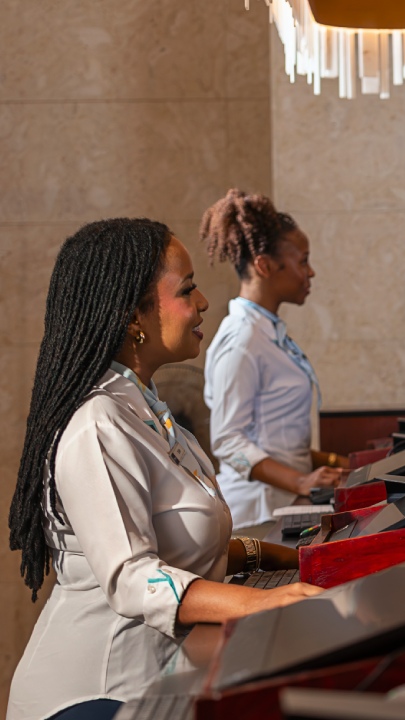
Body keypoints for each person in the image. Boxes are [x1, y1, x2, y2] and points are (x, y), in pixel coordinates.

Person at [7, 219, 321, 720]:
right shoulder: (98, 423)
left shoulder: (147, 409)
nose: (202, 304)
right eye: (188, 290)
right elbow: (134, 578)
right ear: (134, 314)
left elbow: (193, 547)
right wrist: (264, 604)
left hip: (154, 677)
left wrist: (301, 559)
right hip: (94, 696)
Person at [201, 190, 348, 535]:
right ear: (264, 265)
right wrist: (301, 481)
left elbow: (277, 437)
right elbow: (227, 441)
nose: (310, 272)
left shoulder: (268, 333)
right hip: (258, 514)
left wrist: (341, 466)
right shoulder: (240, 341)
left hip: (287, 506)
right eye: (303, 261)